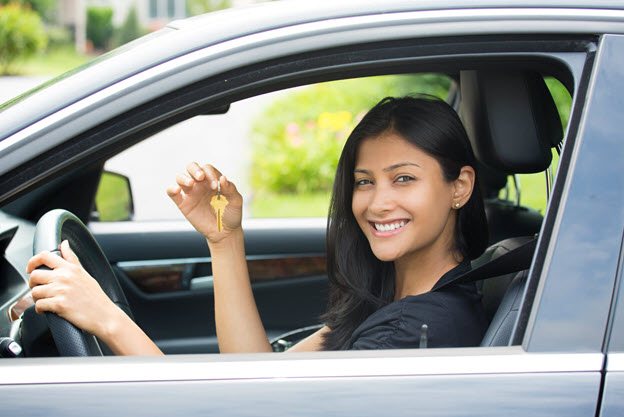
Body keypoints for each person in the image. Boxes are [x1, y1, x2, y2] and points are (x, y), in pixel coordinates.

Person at [26, 96, 489, 355]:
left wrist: (106, 317)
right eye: (364, 182)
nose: (377, 203)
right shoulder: (390, 300)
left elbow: (227, 408)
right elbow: (256, 376)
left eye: (404, 179)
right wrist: (225, 239)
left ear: (459, 187)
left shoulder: (411, 333)